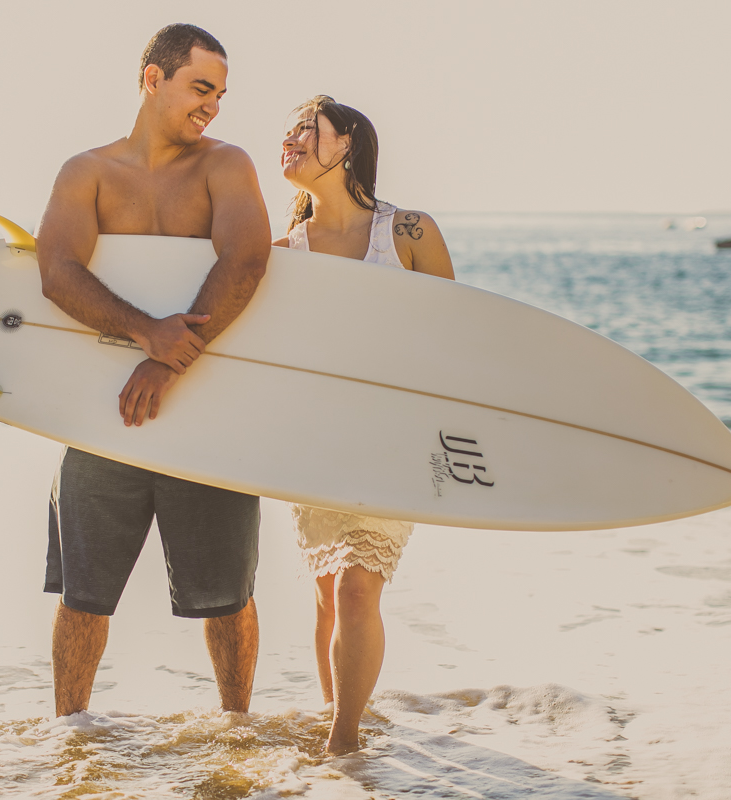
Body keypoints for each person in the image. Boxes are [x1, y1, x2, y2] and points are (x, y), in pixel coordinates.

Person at [33, 24, 271, 718]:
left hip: (207, 417)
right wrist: (146, 333)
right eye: (201, 88)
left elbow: (247, 262)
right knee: (84, 593)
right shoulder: (89, 173)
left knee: (227, 596)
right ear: (152, 78)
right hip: (105, 417)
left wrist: (167, 365)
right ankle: (70, 735)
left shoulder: (225, 166)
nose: (213, 107)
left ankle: (236, 729)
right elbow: (56, 271)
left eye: (221, 94)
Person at [273, 95, 455, 754]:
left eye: (305, 129)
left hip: (393, 448)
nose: (290, 139)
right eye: (288, 130)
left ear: (346, 142)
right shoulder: (281, 252)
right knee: (329, 598)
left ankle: (344, 746)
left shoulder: (408, 232)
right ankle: (337, 718)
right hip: (315, 449)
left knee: (355, 590)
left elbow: (455, 339)